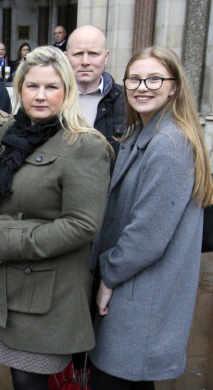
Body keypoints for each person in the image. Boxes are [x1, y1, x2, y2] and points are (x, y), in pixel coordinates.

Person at [0, 46, 111, 390]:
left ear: (67, 90)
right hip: (0, 290)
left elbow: (82, 224)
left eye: (51, 87)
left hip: (43, 297)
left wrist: (8, 244)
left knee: (29, 380)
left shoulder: (84, 145)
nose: (41, 96)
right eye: (32, 86)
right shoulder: (7, 133)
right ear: (19, 89)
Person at [88, 46, 213, 390]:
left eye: (155, 79)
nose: (142, 87)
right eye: (135, 79)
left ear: (174, 86)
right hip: (135, 290)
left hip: (139, 295)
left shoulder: (169, 144)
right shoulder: (142, 133)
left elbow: (146, 237)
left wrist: (107, 278)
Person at [66, 25, 125, 163]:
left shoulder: (125, 101)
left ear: (106, 57)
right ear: (66, 57)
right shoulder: (52, 100)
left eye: (94, 54)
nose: (85, 62)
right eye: (78, 54)